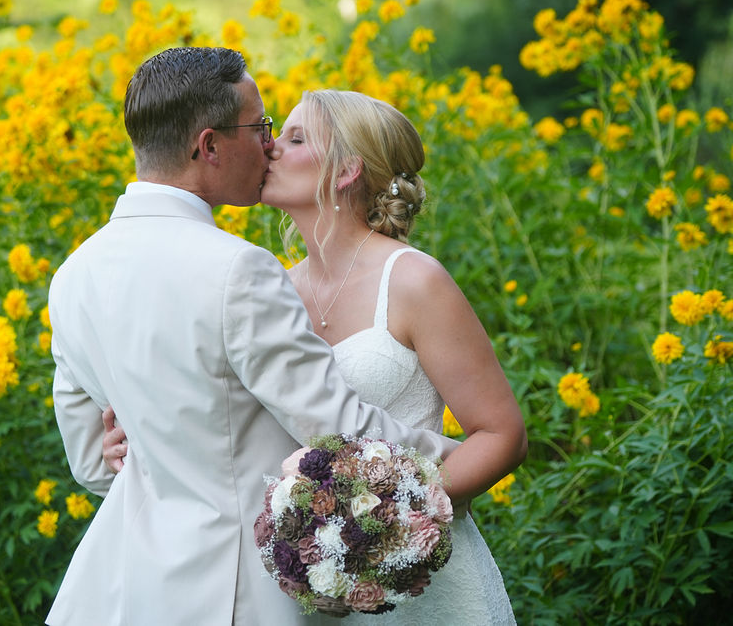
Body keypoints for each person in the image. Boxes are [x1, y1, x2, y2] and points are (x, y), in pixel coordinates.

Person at [45, 49, 461, 626]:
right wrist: (463, 461)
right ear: (209, 146)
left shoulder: (72, 276)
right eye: (260, 127)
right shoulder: (237, 269)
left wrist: (156, 435)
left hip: (124, 586)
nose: (268, 144)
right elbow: (336, 426)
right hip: (235, 587)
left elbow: (92, 461)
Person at [104, 89, 527, 623]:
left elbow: (501, 435)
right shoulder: (268, 290)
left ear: (348, 169)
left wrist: (389, 517)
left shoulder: (414, 280)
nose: (270, 146)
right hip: (311, 589)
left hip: (421, 580)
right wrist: (128, 433)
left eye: (296, 138)